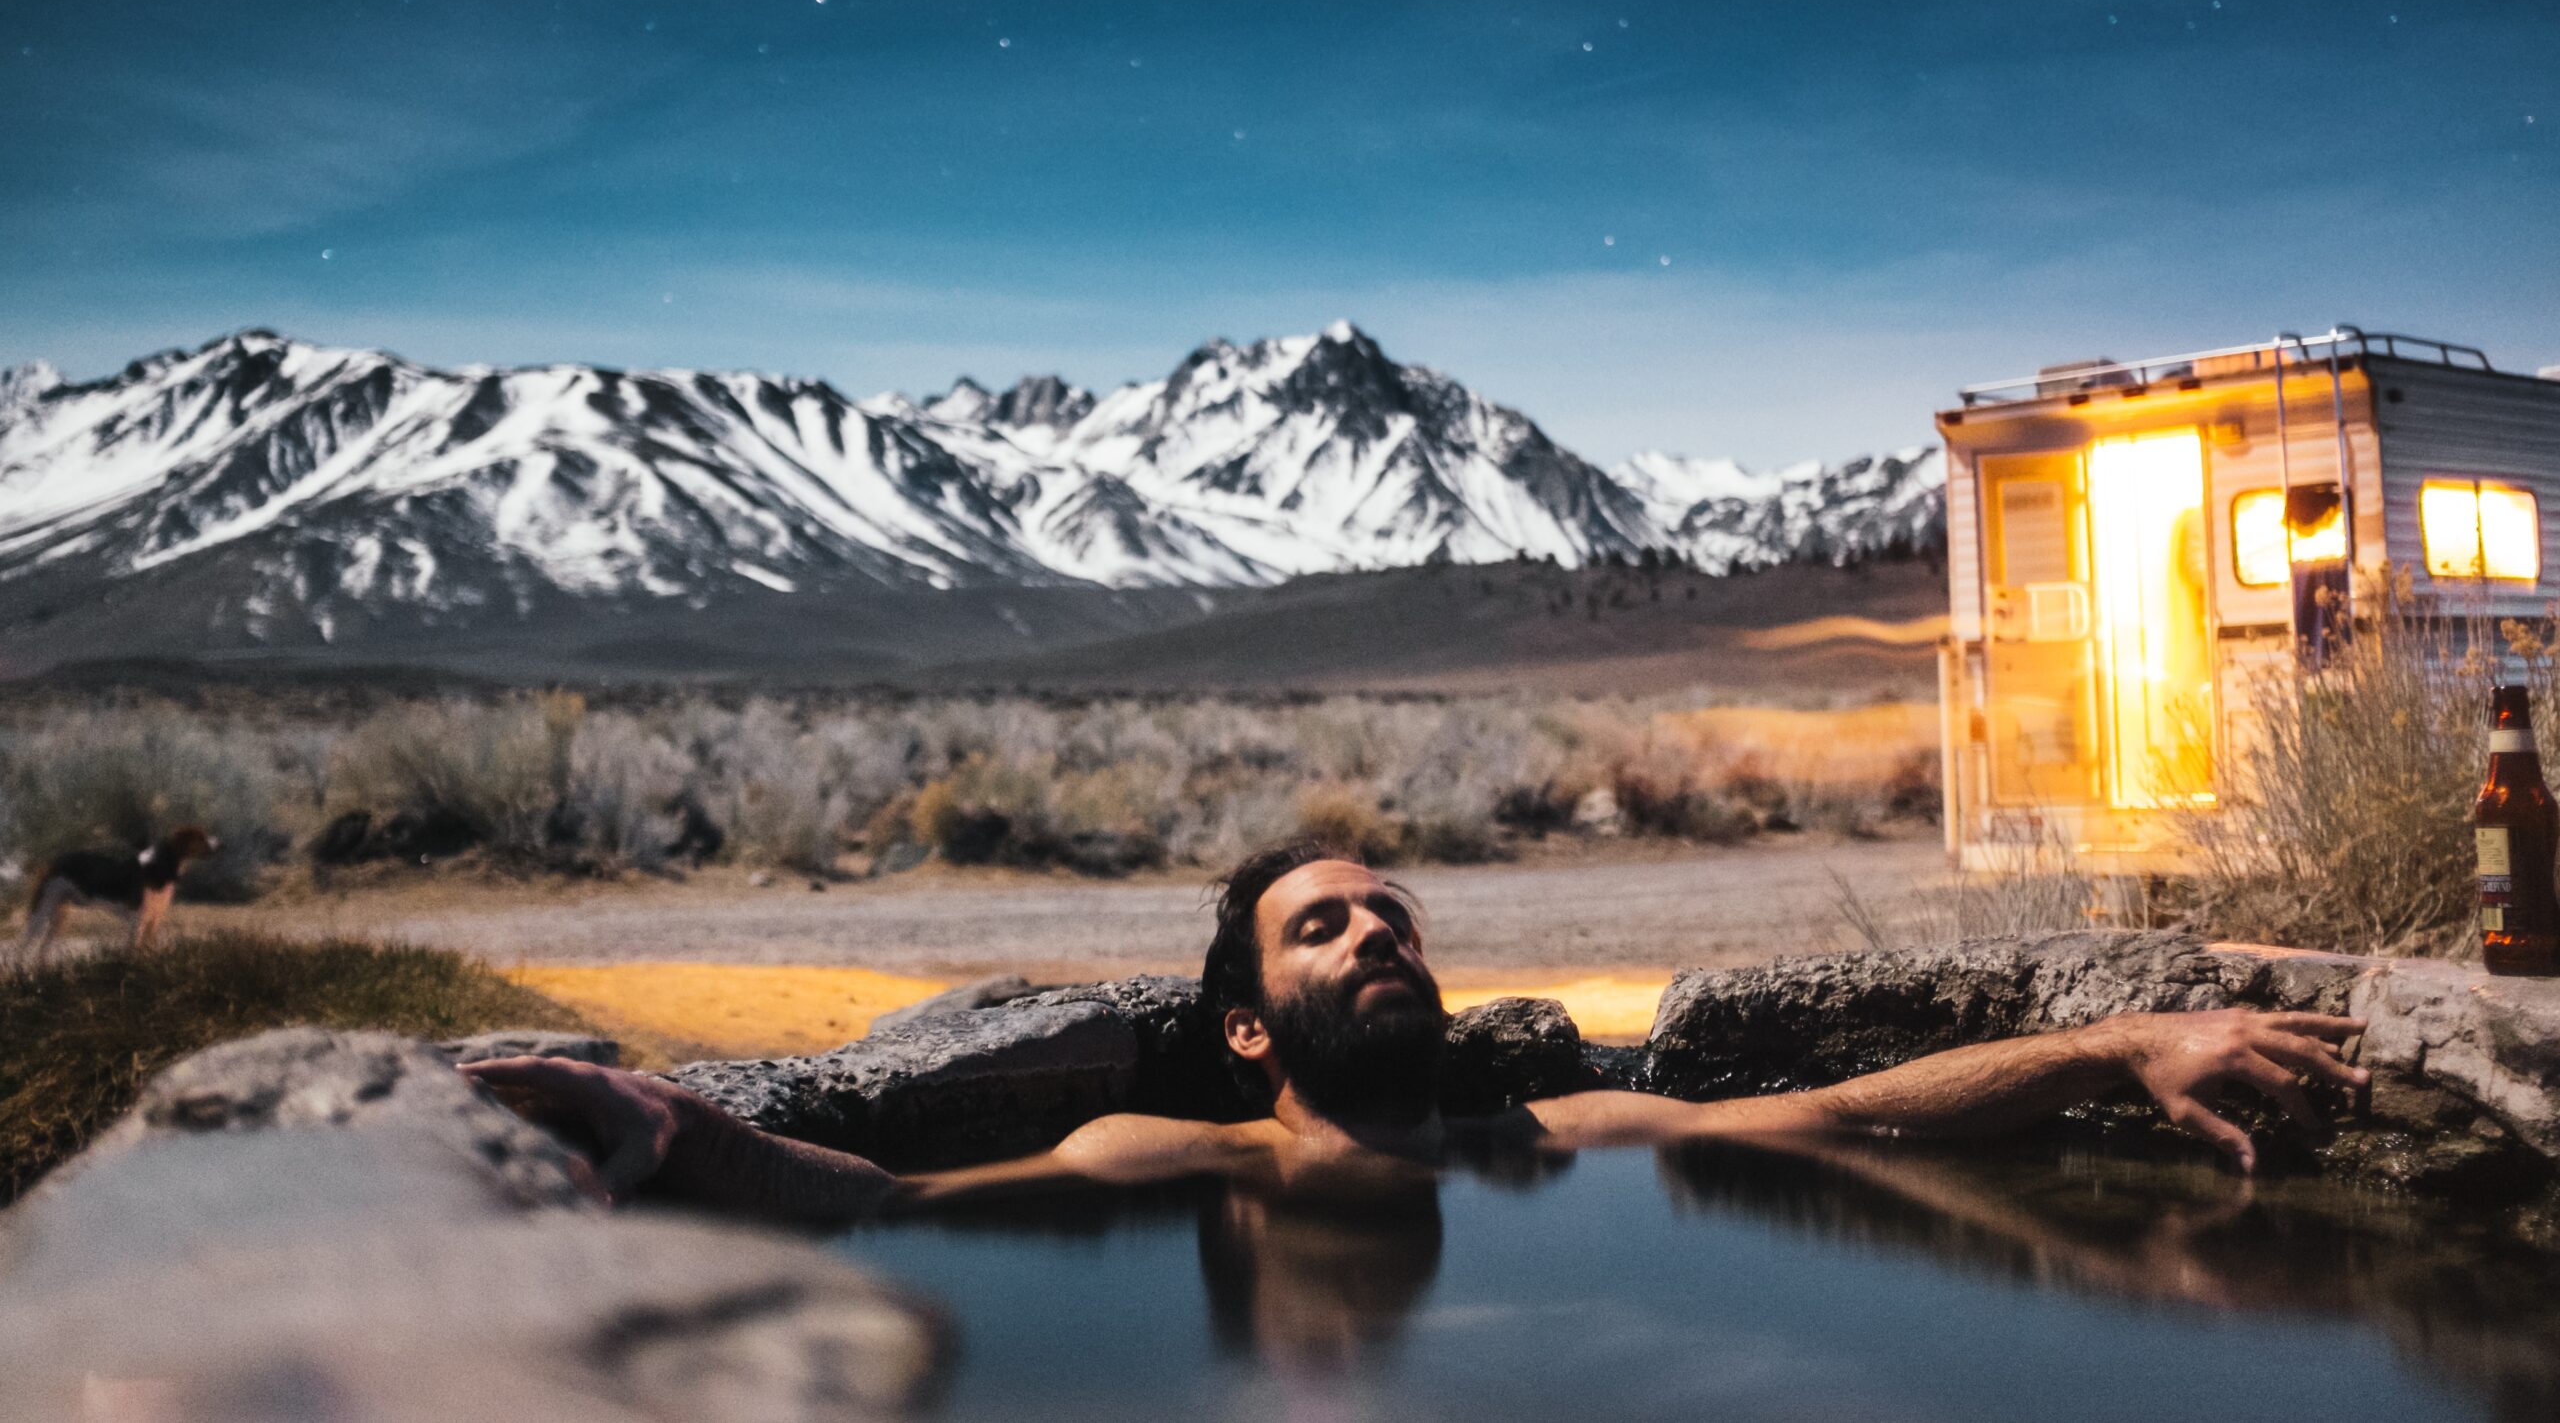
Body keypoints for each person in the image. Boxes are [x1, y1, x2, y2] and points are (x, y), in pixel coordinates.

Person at [461, 841, 2368, 1220]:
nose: (1376, 930)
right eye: (1323, 923)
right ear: (1240, 1032)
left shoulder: (1564, 1144)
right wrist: (664, 1125)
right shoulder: (1159, 1163)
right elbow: (874, 1206)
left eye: (1394, 915)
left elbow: (1867, 1111)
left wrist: (2126, 1049)